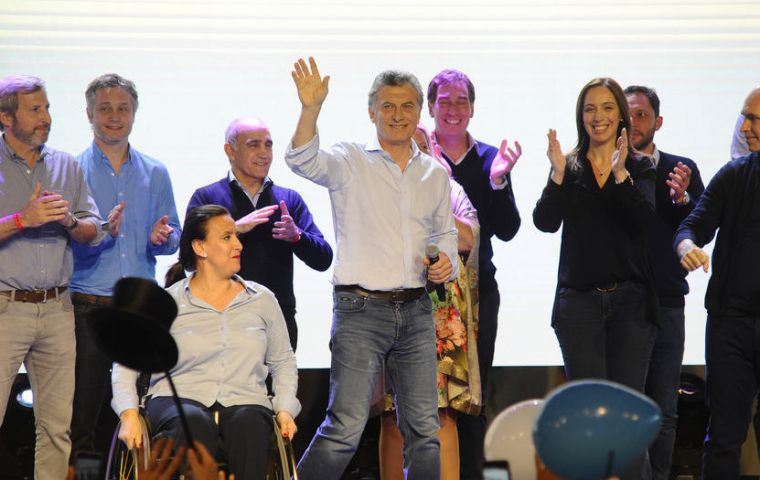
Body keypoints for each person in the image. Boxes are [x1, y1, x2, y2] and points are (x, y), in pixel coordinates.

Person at [287, 57, 458, 479]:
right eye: (387, 106)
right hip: (360, 310)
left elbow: (446, 234)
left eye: (406, 106)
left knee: (424, 430)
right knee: (344, 426)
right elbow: (302, 160)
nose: (397, 115)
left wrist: (446, 265)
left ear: (420, 112)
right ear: (371, 111)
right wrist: (310, 110)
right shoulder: (349, 159)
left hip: (417, 309)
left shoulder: (435, 173)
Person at [111, 204, 300, 480]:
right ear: (200, 248)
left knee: (249, 424)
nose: (238, 244)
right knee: (193, 423)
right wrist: (128, 413)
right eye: (227, 237)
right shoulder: (167, 302)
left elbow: (283, 360)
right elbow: (126, 363)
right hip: (178, 401)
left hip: (245, 399)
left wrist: (285, 408)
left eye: (236, 236)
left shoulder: (261, 299)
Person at [532, 78, 658, 479]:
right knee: (587, 417)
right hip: (579, 306)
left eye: (606, 108)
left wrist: (620, 175)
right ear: (580, 116)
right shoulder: (569, 166)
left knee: (628, 418)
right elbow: (544, 222)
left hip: (631, 306)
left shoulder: (639, 166)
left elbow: (643, 221)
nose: (598, 117)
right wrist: (555, 175)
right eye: (590, 109)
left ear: (620, 113)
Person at [69, 73, 182, 462]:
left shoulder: (156, 171)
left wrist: (162, 238)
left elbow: (175, 235)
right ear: (89, 114)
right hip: (87, 305)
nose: (114, 117)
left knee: (137, 411)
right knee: (84, 412)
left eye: (122, 109)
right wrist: (99, 233)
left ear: (134, 113)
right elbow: (65, 240)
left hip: (138, 308)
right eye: (105, 109)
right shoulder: (71, 170)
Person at [0, 74, 101, 480]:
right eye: (35, 110)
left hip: (57, 308)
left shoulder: (66, 165)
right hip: (6, 308)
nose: (46, 118)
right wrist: (22, 220)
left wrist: (71, 221)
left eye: (47, 108)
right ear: (5, 118)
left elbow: (93, 231)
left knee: (57, 428)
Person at [426, 69, 521, 478]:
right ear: (430, 107)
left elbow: (509, 229)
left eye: (461, 100)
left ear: (473, 108)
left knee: (472, 398)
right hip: (422, 295)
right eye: (444, 101)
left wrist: (499, 182)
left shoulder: (488, 158)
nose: (453, 109)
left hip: (477, 295)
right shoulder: (413, 157)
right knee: (421, 401)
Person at [378, 124, 481, 480]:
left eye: (422, 146)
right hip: (391, 308)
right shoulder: (377, 190)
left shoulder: (449, 189)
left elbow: (468, 237)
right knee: (394, 412)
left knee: (442, 412)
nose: (414, 153)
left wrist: (425, 208)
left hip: (441, 316)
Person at [187, 117, 333, 350]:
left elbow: (324, 259)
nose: (264, 153)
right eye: (254, 145)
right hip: (219, 317)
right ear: (230, 151)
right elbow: (189, 259)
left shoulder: (289, 199)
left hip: (276, 318)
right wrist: (234, 229)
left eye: (268, 145)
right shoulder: (206, 197)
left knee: (277, 387)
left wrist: (297, 237)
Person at [674, 87, 760, 479]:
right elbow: (692, 226)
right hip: (731, 325)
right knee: (724, 437)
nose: (745, 127)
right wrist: (687, 246)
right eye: (744, 117)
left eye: (754, 119)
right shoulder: (736, 175)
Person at [623, 85, 705, 480]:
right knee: (627, 409)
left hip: (668, 302)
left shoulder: (680, 167)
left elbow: (699, 227)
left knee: (664, 409)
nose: (634, 122)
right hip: (621, 303)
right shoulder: (606, 168)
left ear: (658, 121)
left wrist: (682, 199)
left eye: (641, 114)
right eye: (628, 113)